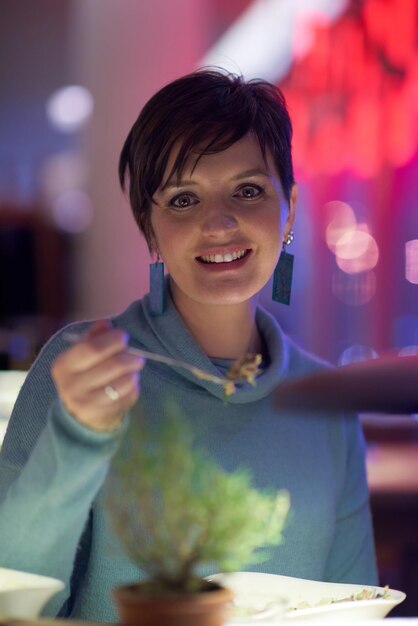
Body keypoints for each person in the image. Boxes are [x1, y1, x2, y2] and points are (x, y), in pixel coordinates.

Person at [0, 69, 377, 622]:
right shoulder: (81, 367)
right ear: (149, 227)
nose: (219, 223)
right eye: (182, 199)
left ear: (289, 210)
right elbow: (12, 595)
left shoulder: (326, 404)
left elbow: (356, 606)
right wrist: (78, 436)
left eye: (248, 191)